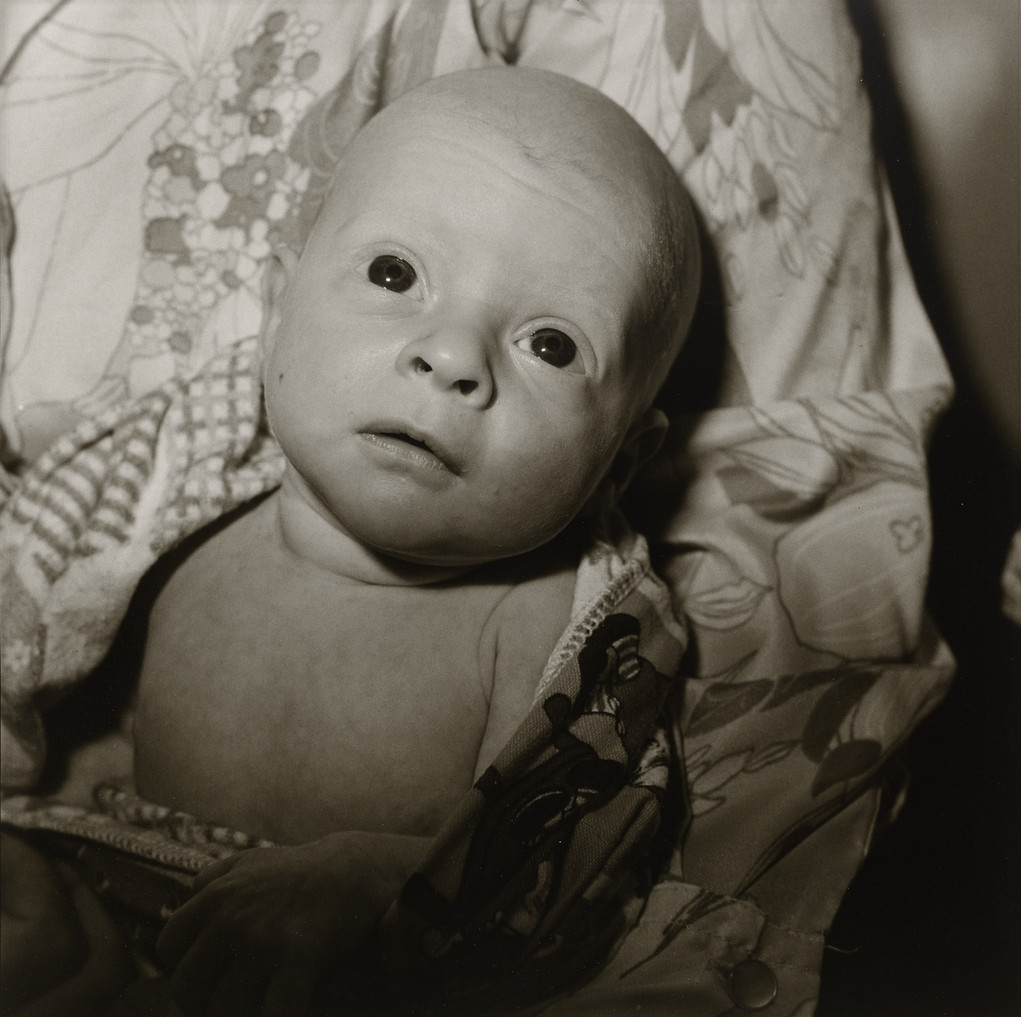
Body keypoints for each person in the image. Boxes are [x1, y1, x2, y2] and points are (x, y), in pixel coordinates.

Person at [1, 66, 700, 1017]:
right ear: (278, 306)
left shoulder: (549, 623)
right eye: (393, 274)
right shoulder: (166, 530)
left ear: (620, 462)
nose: (452, 356)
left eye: (550, 344)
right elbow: (78, 737)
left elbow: (575, 851)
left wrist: (378, 878)